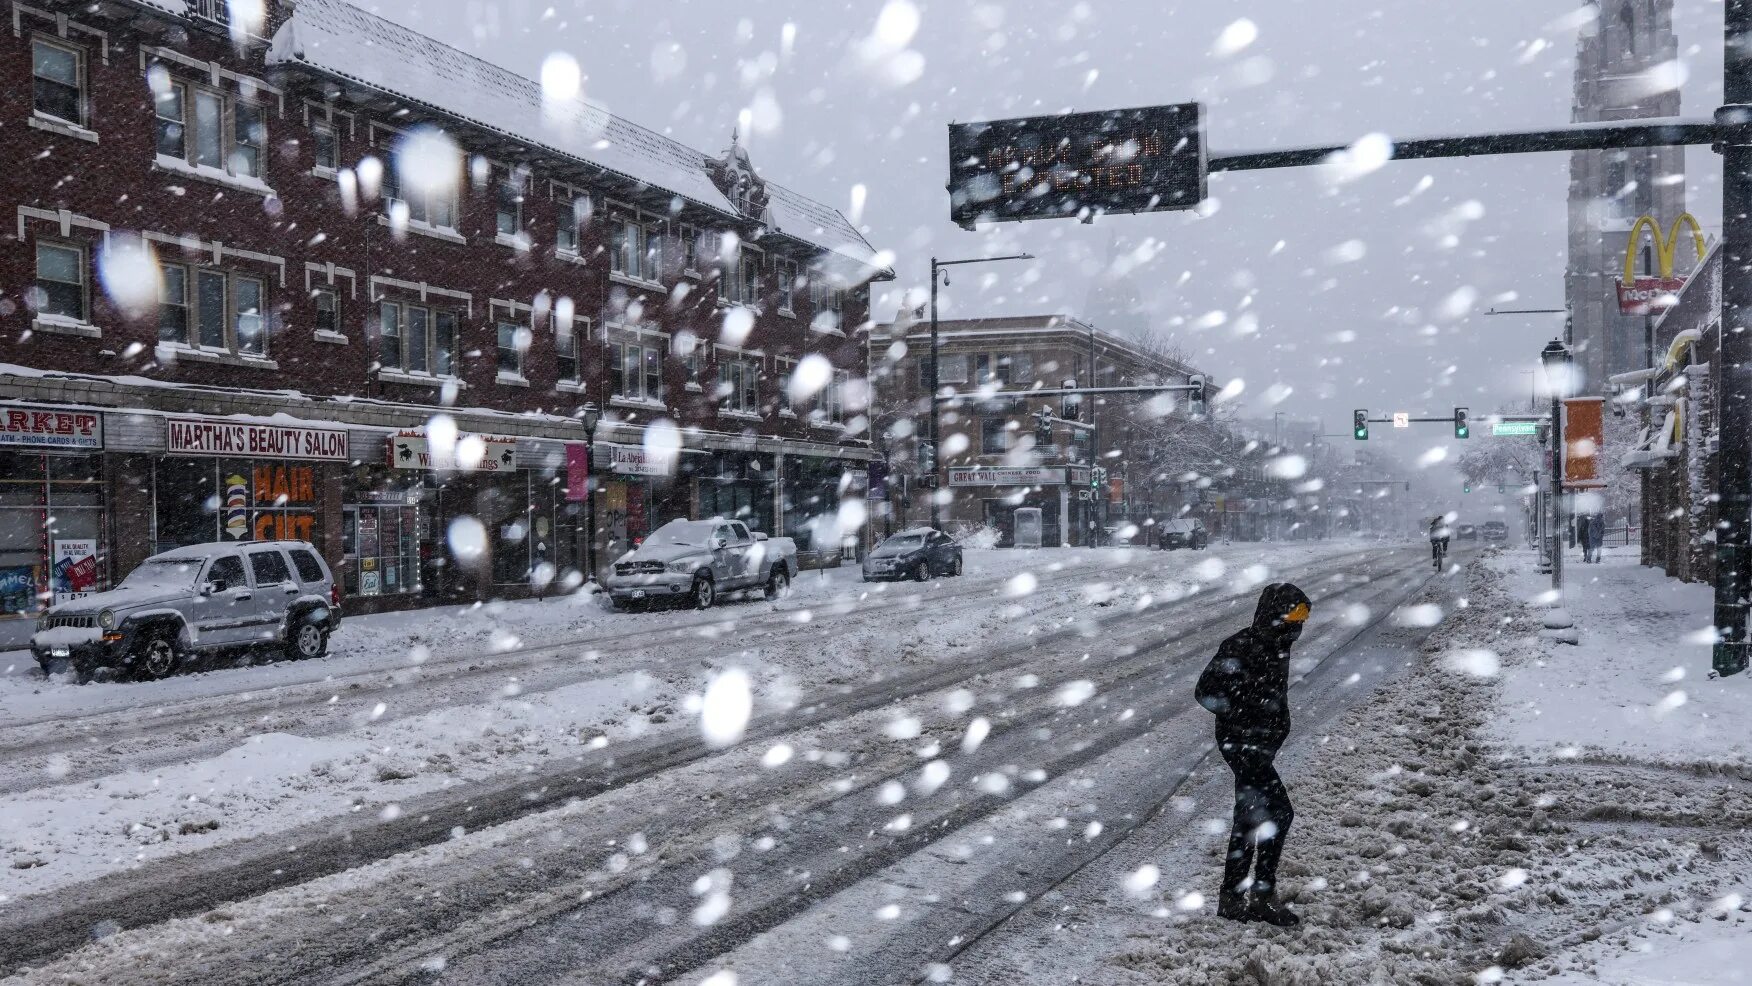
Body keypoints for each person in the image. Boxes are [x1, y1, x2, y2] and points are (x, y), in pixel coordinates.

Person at [1195, 582, 1313, 926]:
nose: (1299, 624)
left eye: (1304, 616)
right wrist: (1242, 713)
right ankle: (1259, 895)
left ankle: (1234, 898)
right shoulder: (1240, 646)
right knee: (1279, 813)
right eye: (1295, 614)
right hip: (1243, 746)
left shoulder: (1278, 643)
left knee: (1250, 816)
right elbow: (1205, 692)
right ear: (1275, 614)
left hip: (1261, 746)